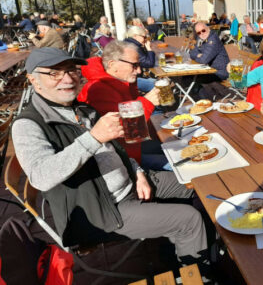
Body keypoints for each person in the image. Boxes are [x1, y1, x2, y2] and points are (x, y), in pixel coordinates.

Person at [12, 47, 207, 264]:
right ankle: (197, 270)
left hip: (130, 183)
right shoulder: (27, 125)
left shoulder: (81, 109)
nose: (67, 78)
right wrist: (93, 138)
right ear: (33, 80)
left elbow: (117, 149)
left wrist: (137, 171)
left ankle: (186, 248)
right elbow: (41, 176)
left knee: (197, 184)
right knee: (189, 219)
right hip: (102, 212)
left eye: (71, 70)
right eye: (55, 73)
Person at [78, 40, 172, 173]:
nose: (139, 71)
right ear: (112, 64)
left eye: (139, 65)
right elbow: (126, 130)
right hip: (123, 160)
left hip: (134, 146)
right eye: (134, 65)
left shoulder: (119, 82)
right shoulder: (99, 89)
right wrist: (147, 102)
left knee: (173, 146)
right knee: (178, 163)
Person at [124, 26, 156, 92]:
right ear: (135, 36)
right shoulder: (133, 47)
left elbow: (145, 59)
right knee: (159, 84)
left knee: (158, 80)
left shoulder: (130, 43)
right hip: (130, 80)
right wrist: (149, 49)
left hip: (130, 77)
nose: (145, 39)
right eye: (144, 37)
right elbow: (149, 63)